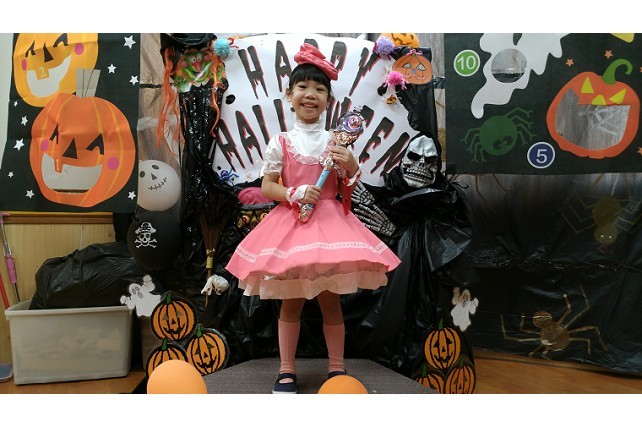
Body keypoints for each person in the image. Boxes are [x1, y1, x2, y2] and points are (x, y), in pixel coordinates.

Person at [225, 43, 401, 394]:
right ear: (289, 96)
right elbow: (268, 186)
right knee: (291, 301)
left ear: (328, 100)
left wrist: (351, 167)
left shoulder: (337, 141)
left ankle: (337, 368)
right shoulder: (281, 142)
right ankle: (285, 370)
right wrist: (293, 193)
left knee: (330, 299)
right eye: (303, 87)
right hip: (292, 226)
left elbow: (346, 189)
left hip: (330, 226)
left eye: (319, 89)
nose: (311, 94)